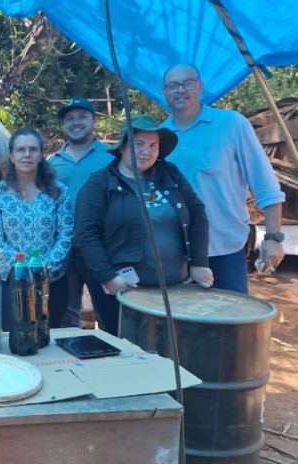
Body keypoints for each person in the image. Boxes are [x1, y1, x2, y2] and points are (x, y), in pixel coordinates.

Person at [75, 114, 212, 336]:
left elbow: (197, 214)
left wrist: (199, 261)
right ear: (122, 147)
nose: (145, 151)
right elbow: (86, 234)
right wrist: (108, 277)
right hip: (126, 291)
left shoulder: (169, 173)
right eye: (138, 144)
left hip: (175, 286)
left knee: (174, 348)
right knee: (128, 352)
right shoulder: (99, 183)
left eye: (152, 145)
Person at [160, 64, 285, 294]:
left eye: (187, 83)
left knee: (229, 325)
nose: (180, 90)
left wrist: (273, 237)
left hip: (224, 250)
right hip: (176, 254)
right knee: (179, 326)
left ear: (199, 86)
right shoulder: (159, 137)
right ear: (164, 91)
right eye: (173, 85)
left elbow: (265, 184)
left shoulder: (231, 124)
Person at [0, 127, 73, 327]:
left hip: (52, 280)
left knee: (47, 340)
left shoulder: (58, 191)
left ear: (41, 155)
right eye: (20, 150)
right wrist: (24, 268)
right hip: (13, 282)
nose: (27, 155)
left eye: (33, 149)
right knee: (17, 339)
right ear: (11, 156)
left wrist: (43, 268)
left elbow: (66, 234)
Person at [48, 97, 114, 328]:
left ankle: (110, 360)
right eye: (70, 118)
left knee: (108, 312)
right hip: (64, 250)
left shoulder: (111, 157)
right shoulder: (52, 163)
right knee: (66, 316)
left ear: (94, 120)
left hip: (101, 248)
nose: (76, 123)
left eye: (82, 117)